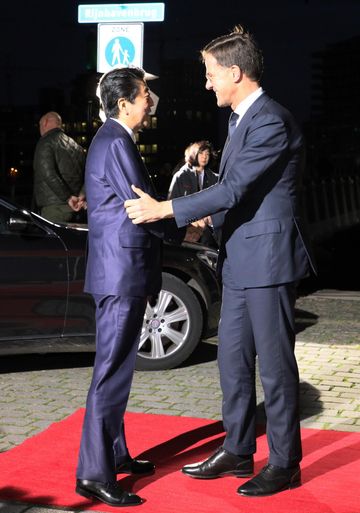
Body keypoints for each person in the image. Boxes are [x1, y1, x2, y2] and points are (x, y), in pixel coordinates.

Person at [124, 25, 316, 498]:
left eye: (210, 74)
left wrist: (165, 208)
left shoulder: (271, 119)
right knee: (232, 362)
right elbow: (236, 196)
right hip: (238, 260)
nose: (206, 83)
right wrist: (209, 221)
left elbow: (234, 188)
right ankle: (236, 449)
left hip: (268, 263)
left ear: (235, 71)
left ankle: (286, 463)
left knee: (274, 368)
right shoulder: (237, 121)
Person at [75, 67, 183, 507]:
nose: (149, 102)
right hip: (121, 274)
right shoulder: (117, 141)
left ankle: (115, 454)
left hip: (120, 272)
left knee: (117, 367)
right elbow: (144, 206)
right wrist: (183, 228)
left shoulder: (113, 140)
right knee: (112, 371)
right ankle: (93, 473)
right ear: (124, 103)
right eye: (145, 95)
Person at [33, 111, 86, 222]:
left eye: (39, 125)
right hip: (78, 209)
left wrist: (68, 198)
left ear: (45, 122)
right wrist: (82, 196)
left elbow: (48, 174)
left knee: (52, 240)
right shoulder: (76, 146)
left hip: (55, 209)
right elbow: (89, 174)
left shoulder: (45, 142)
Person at [168, 140, 219, 246]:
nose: (204, 157)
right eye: (201, 153)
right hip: (187, 233)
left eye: (207, 154)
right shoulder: (181, 175)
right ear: (194, 154)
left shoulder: (214, 178)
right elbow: (171, 204)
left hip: (208, 233)